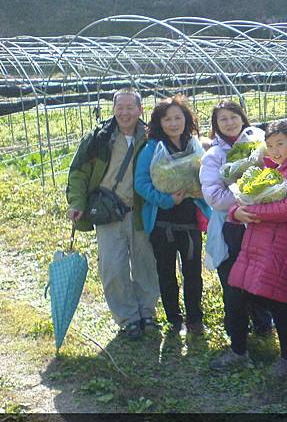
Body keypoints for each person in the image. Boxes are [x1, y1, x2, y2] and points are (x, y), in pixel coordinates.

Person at [211, 120, 287, 375]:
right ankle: (239, 351)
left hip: (280, 246)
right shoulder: (269, 168)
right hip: (254, 242)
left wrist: (250, 211)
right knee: (235, 294)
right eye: (270, 145)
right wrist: (236, 212)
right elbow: (241, 200)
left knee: (276, 301)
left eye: (281, 143)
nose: (276, 150)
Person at [66, 88, 160, 340]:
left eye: (131, 107)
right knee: (113, 267)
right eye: (120, 107)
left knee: (145, 263)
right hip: (108, 212)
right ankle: (128, 317)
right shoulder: (99, 138)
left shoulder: (151, 137)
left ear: (140, 110)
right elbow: (78, 173)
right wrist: (77, 202)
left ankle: (147, 312)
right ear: (113, 109)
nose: (125, 112)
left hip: (140, 211)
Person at [134, 95, 211, 335]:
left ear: (186, 120)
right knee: (166, 272)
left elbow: (206, 175)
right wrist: (167, 199)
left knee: (192, 272)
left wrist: (198, 190)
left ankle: (195, 318)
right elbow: (141, 183)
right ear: (159, 122)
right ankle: (174, 318)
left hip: (189, 221)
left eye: (178, 117)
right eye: (167, 119)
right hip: (162, 222)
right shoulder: (151, 148)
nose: (173, 123)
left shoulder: (194, 145)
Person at [200, 101, 273, 337]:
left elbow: (278, 172)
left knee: (260, 274)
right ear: (216, 125)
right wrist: (249, 193)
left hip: (261, 222)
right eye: (223, 119)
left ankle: (263, 322)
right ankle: (236, 331)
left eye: (233, 117)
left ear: (242, 118)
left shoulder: (261, 142)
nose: (229, 123)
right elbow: (214, 197)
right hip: (229, 226)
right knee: (233, 278)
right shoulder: (213, 156)